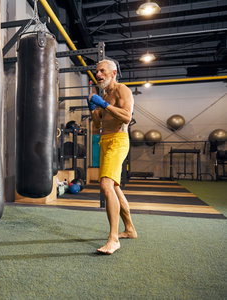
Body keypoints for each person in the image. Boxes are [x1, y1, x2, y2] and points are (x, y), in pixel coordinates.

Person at [87, 59, 137, 255]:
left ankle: (113, 239)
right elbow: (96, 127)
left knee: (106, 185)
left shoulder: (122, 90)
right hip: (105, 141)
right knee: (114, 187)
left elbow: (126, 117)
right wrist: (93, 110)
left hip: (118, 141)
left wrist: (104, 104)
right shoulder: (105, 94)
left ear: (113, 73)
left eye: (102, 70)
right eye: (96, 71)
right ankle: (130, 229)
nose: (98, 74)